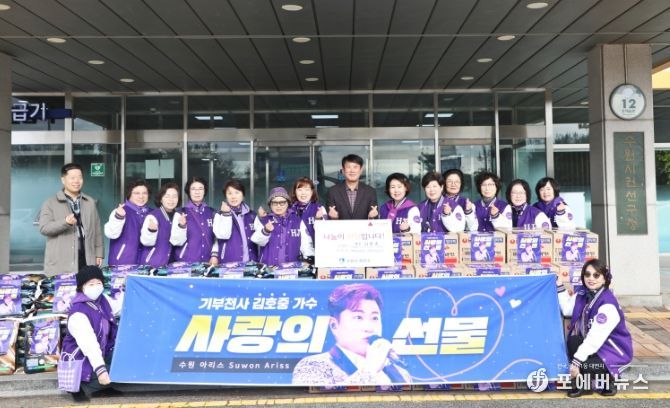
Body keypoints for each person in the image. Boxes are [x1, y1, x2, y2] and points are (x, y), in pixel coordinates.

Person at [292, 283, 412, 385]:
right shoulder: (313, 365)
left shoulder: (402, 373)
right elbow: (318, 402)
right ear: (334, 325)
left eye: (375, 318)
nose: (369, 328)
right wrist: (369, 370)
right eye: (358, 317)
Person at [557, 259, 633, 397]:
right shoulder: (583, 293)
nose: (591, 278)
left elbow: (594, 339)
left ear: (604, 279)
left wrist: (576, 362)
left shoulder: (607, 304)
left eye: (596, 275)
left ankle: (610, 379)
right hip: (596, 348)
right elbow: (568, 309)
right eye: (587, 274)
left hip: (612, 352)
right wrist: (559, 286)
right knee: (573, 341)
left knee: (585, 365)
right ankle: (586, 385)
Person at [60, 266, 123, 402]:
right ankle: (82, 387)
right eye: (91, 284)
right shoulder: (78, 312)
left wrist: (132, 291)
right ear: (82, 287)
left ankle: (102, 385)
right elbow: (89, 345)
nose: (96, 287)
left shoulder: (103, 300)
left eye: (98, 283)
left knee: (126, 359)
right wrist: (101, 370)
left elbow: (118, 307)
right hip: (83, 360)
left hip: (102, 352)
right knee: (117, 372)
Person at [38, 163, 104, 275]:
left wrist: (99, 253)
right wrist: (65, 222)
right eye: (72, 178)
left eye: (80, 177)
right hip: (61, 261)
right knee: (65, 286)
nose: (77, 181)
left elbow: (97, 229)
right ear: (63, 180)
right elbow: (44, 228)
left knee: (87, 284)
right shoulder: (50, 203)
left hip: (86, 257)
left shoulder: (89, 202)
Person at [251, 187, 314, 266]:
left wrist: (308, 260)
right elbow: (256, 240)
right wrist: (266, 230)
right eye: (275, 203)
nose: (278, 206)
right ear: (270, 205)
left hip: (292, 269)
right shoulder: (263, 220)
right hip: (268, 268)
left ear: (288, 203)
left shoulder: (298, 220)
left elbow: (306, 244)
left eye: (282, 202)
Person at [170, 177, 218, 265]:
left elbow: (217, 238)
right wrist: (181, 226)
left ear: (204, 191)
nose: (197, 192)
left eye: (200, 189)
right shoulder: (180, 213)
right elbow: (176, 241)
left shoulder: (212, 212)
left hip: (208, 262)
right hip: (185, 263)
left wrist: (214, 255)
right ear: (188, 191)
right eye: (193, 189)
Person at [104, 180, 151, 265]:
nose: (141, 196)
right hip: (122, 263)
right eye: (136, 193)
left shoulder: (152, 213)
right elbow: (111, 233)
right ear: (129, 194)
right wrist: (119, 217)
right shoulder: (120, 211)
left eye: (145, 193)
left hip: (145, 264)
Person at [212, 180, 258, 263]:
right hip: (229, 263)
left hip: (251, 263)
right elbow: (223, 235)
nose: (233, 197)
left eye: (237, 193)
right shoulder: (219, 215)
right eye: (229, 193)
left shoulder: (252, 215)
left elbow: (260, 239)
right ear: (226, 197)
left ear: (243, 195)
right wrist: (226, 214)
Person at [139, 182, 180, 267]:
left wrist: (182, 226)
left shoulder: (178, 216)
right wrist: (151, 231)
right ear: (161, 199)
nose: (171, 200)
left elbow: (178, 241)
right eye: (167, 196)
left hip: (171, 264)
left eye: (174, 196)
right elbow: (146, 242)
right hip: (153, 264)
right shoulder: (153, 216)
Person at [327, 154, 379, 220]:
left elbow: (375, 219)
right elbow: (328, 219)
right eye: (348, 167)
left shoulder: (370, 192)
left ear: (361, 170)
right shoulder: (333, 191)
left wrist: (372, 217)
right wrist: (333, 218)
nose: (352, 170)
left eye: (355, 167)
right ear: (343, 170)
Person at [290, 177, 327, 242]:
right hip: (293, 247)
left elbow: (325, 234)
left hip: (314, 247)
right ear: (295, 192)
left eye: (307, 190)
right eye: (300, 190)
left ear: (312, 192)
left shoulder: (319, 209)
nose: (303, 193)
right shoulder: (289, 210)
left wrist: (318, 219)